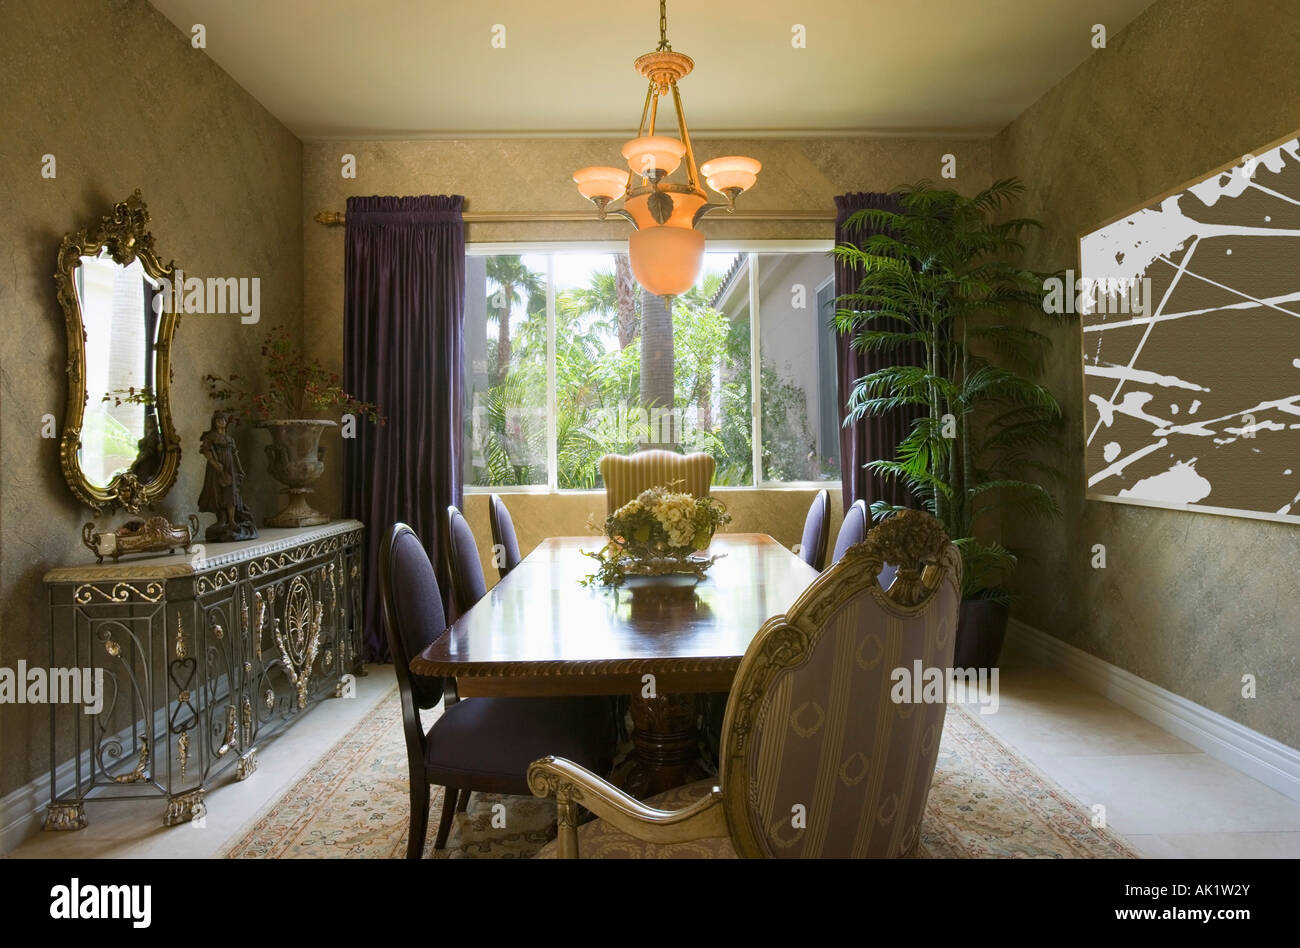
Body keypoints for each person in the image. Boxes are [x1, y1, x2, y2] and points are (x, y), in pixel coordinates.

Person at [198, 411, 257, 541]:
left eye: (223, 420)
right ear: (214, 422)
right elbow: (206, 452)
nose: (221, 422)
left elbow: (235, 455)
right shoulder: (210, 437)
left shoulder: (230, 439)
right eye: (218, 420)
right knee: (217, 493)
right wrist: (215, 463)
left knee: (231, 493)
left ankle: (231, 520)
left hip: (230, 467)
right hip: (216, 469)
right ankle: (222, 519)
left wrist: (240, 469)